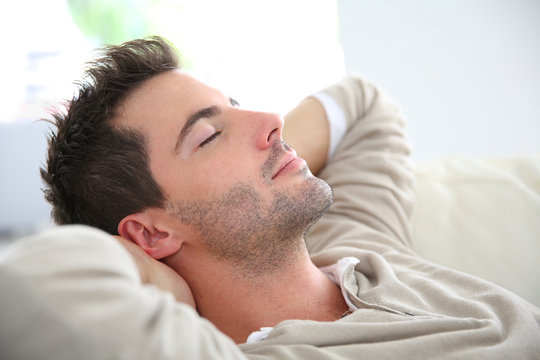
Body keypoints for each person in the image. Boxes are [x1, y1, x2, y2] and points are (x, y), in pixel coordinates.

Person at [1, 36, 539, 359]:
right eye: (209, 136)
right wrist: (158, 280)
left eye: (235, 105)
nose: (271, 119)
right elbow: (29, 281)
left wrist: (272, 159)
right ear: (152, 233)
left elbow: (363, 104)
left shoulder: (363, 248)